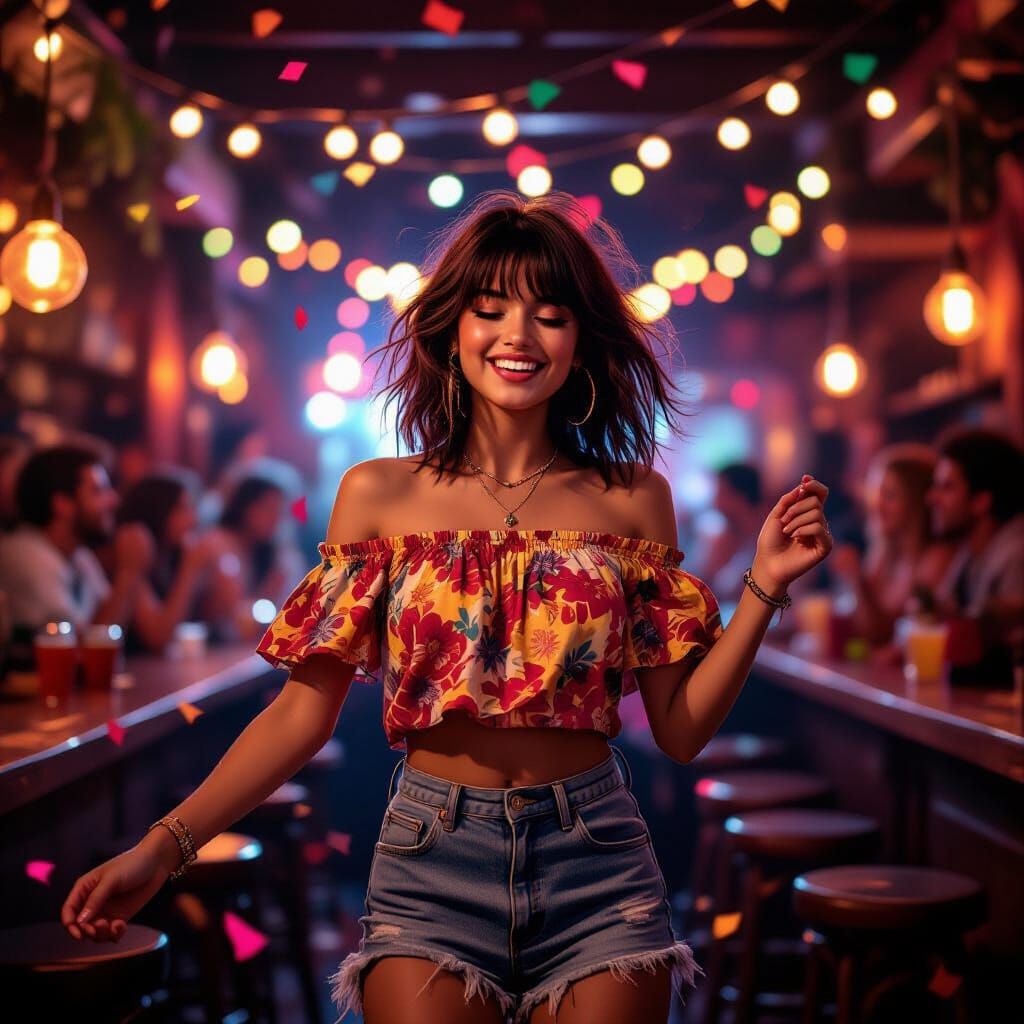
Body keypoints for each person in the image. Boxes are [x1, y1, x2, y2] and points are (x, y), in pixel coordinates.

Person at [60, 192, 832, 1024]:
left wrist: (764, 586)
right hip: (431, 862)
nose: (518, 336)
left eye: (549, 315)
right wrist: (162, 850)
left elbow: (679, 731)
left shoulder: (635, 498)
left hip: (599, 861)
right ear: (451, 329)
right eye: (490, 309)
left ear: (580, 340)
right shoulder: (377, 495)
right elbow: (299, 715)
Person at [0, 444, 152, 638]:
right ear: (62, 504)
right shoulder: (25, 555)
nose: (114, 499)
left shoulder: (78, 554)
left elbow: (107, 619)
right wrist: (128, 572)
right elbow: (80, 646)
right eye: (98, 491)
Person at [831, 443, 956, 649]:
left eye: (889, 496)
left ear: (916, 500)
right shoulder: (882, 552)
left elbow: (882, 635)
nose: (878, 504)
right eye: (876, 494)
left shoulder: (937, 558)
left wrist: (855, 578)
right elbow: (861, 630)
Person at [927, 427, 1024, 685]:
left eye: (946, 487)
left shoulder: (1015, 554)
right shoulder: (971, 552)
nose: (931, 498)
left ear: (981, 501)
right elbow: (940, 615)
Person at [111, 470, 219, 654]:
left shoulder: (173, 556)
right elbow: (158, 636)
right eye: (181, 509)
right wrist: (190, 570)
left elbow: (213, 619)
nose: (193, 519)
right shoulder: (132, 553)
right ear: (157, 510)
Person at [197, 469, 305, 643]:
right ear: (245, 507)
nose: (275, 518)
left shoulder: (274, 553)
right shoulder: (215, 544)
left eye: (279, 511)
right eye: (268, 509)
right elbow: (227, 619)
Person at [692, 462, 765, 606]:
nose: (715, 502)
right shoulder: (722, 536)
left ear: (741, 497)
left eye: (721, 493)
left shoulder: (765, 540)